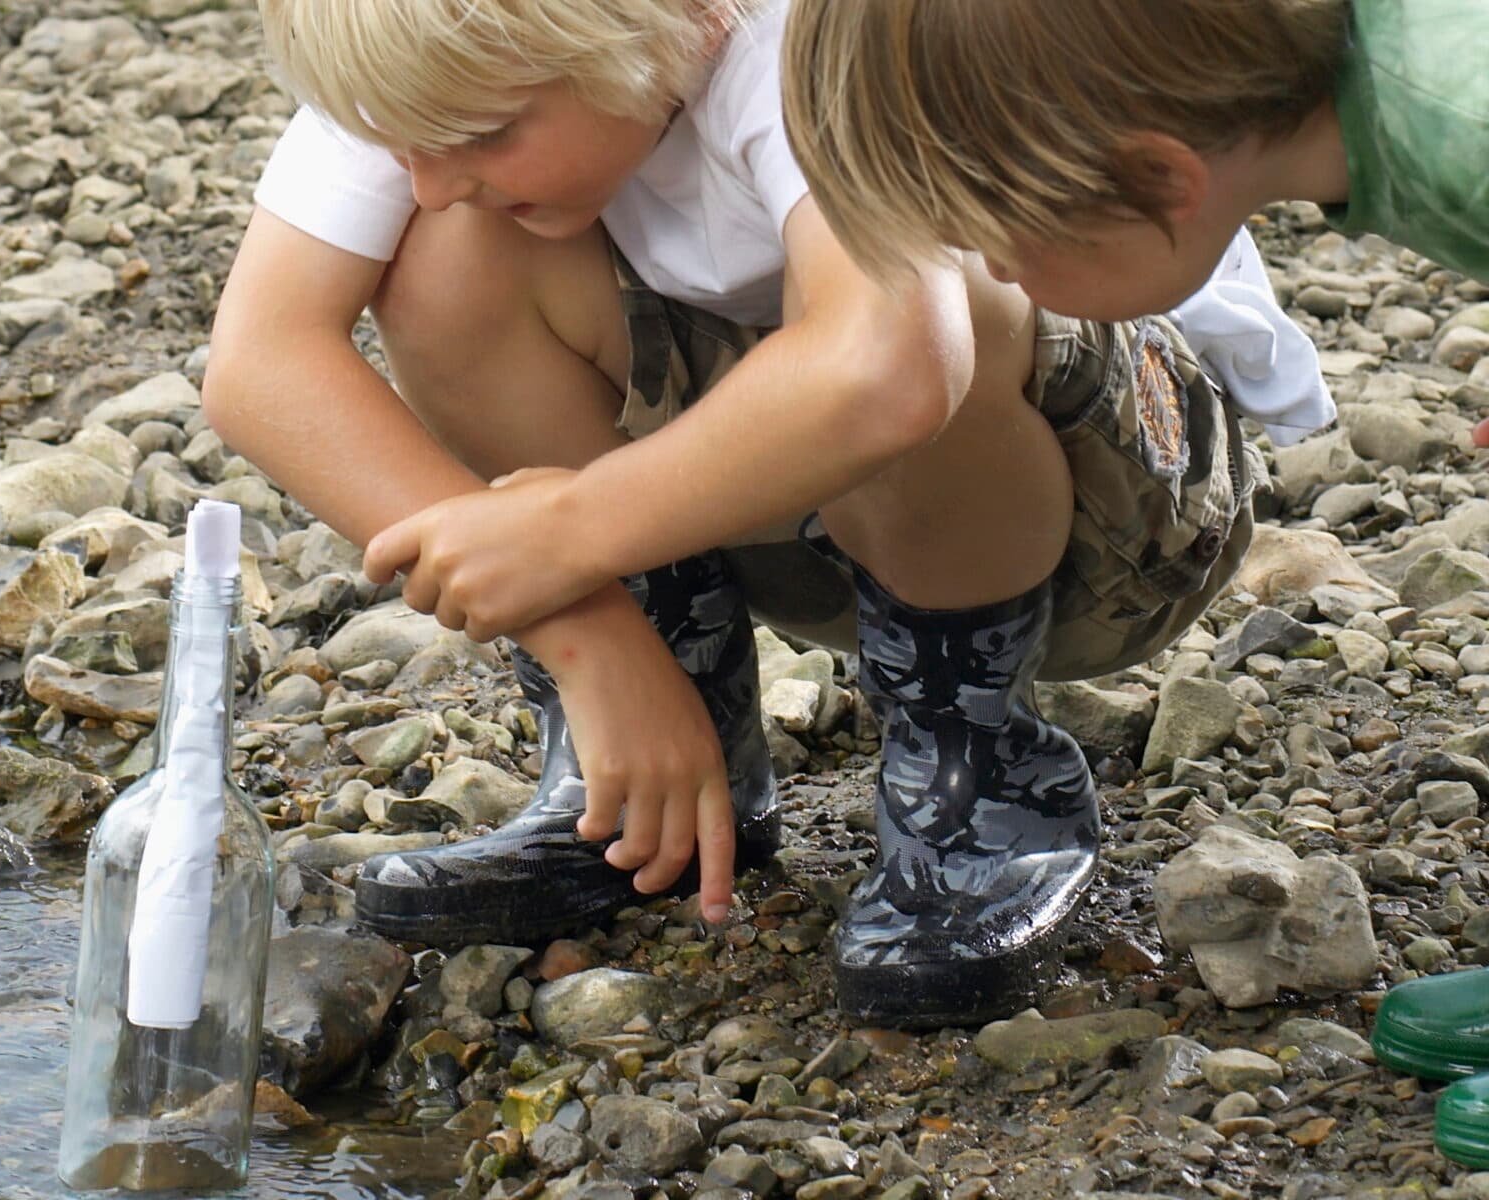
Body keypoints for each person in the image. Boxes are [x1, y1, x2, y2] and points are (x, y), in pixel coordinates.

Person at [205, 0, 1323, 1026]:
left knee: (926, 301)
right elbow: (260, 365)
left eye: (486, 137)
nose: (435, 173)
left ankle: (975, 777)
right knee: (445, 257)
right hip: (771, 525)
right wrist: (596, 642)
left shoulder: (800, 36)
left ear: (671, 25)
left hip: (1108, 524)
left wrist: (564, 531)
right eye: (410, 144)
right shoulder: (432, 67)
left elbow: (891, 370)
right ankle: (653, 775)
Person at [779, 0, 1489, 1131]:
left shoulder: (1457, 115)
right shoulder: (1366, 112)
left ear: (1158, 180)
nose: (992, 271)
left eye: (995, 236)